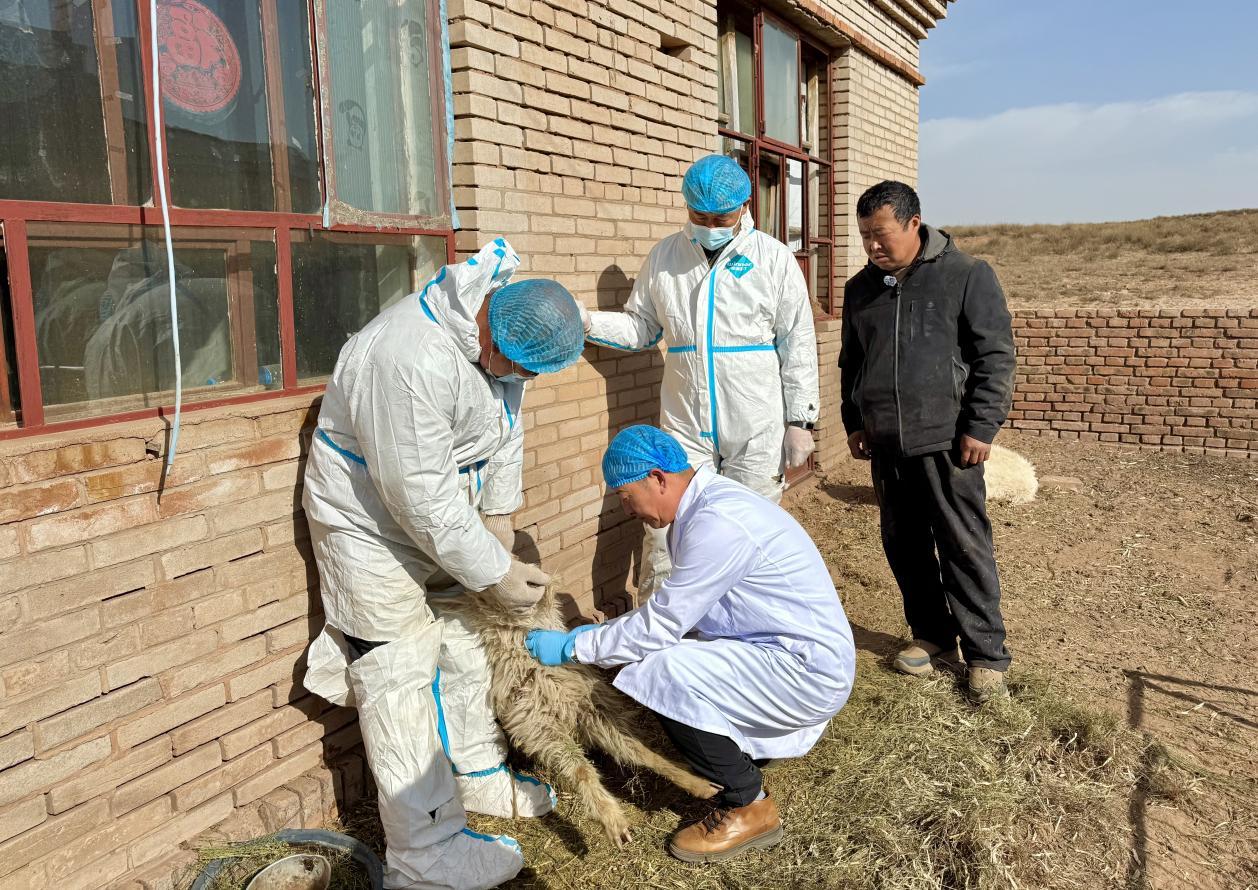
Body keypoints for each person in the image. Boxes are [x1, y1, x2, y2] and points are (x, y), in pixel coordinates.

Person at [301, 238, 585, 890]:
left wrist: (500, 518)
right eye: (521, 367)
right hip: (369, 532)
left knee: (463, 643)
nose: (525, 380)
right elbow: (418, 496)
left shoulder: (503, 341)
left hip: (448, 523)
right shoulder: (407, 358)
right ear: (493, 340)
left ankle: (476, 775)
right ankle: (423, 857)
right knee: (398, 675)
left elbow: (506, 424)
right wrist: (495, 572)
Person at [524, 425, 855, 864]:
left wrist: (573, 648)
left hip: (804, 671)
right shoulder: (705, 508)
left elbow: (662, 625)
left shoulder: (718, 522)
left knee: (659, 670)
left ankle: (747, 804)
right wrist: (601, 636)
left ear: (657, 478)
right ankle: (743, 753)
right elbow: (682, 613)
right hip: (784, 653)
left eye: (625, 496)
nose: (626, 509)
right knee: (665, 657)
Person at [579, 154, 820, 597]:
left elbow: (796, 341)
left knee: (749, 529)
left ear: (744, 207)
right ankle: (661, 628)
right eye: (699, 216)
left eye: (720, 217)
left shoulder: (773, 258)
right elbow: (641, 327)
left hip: (755, 421)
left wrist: (800, 419)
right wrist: (589, 323)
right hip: (686, 419)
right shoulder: (665, 257)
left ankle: (744, 622)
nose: (710, 225)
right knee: (667, 533)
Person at [839, 180, 1016, 702]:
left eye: (881, 234)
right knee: (905, 545)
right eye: (865, 235)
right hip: (886, 443)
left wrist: (981, 425)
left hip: (948, 441)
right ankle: (933, 636)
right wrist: (855, 421)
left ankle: (985, 656)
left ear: (914, 224)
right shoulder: (860, 290)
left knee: (963, 545)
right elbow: (852, 363)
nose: (872, 245)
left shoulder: (966, 275)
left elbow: (995, 356)